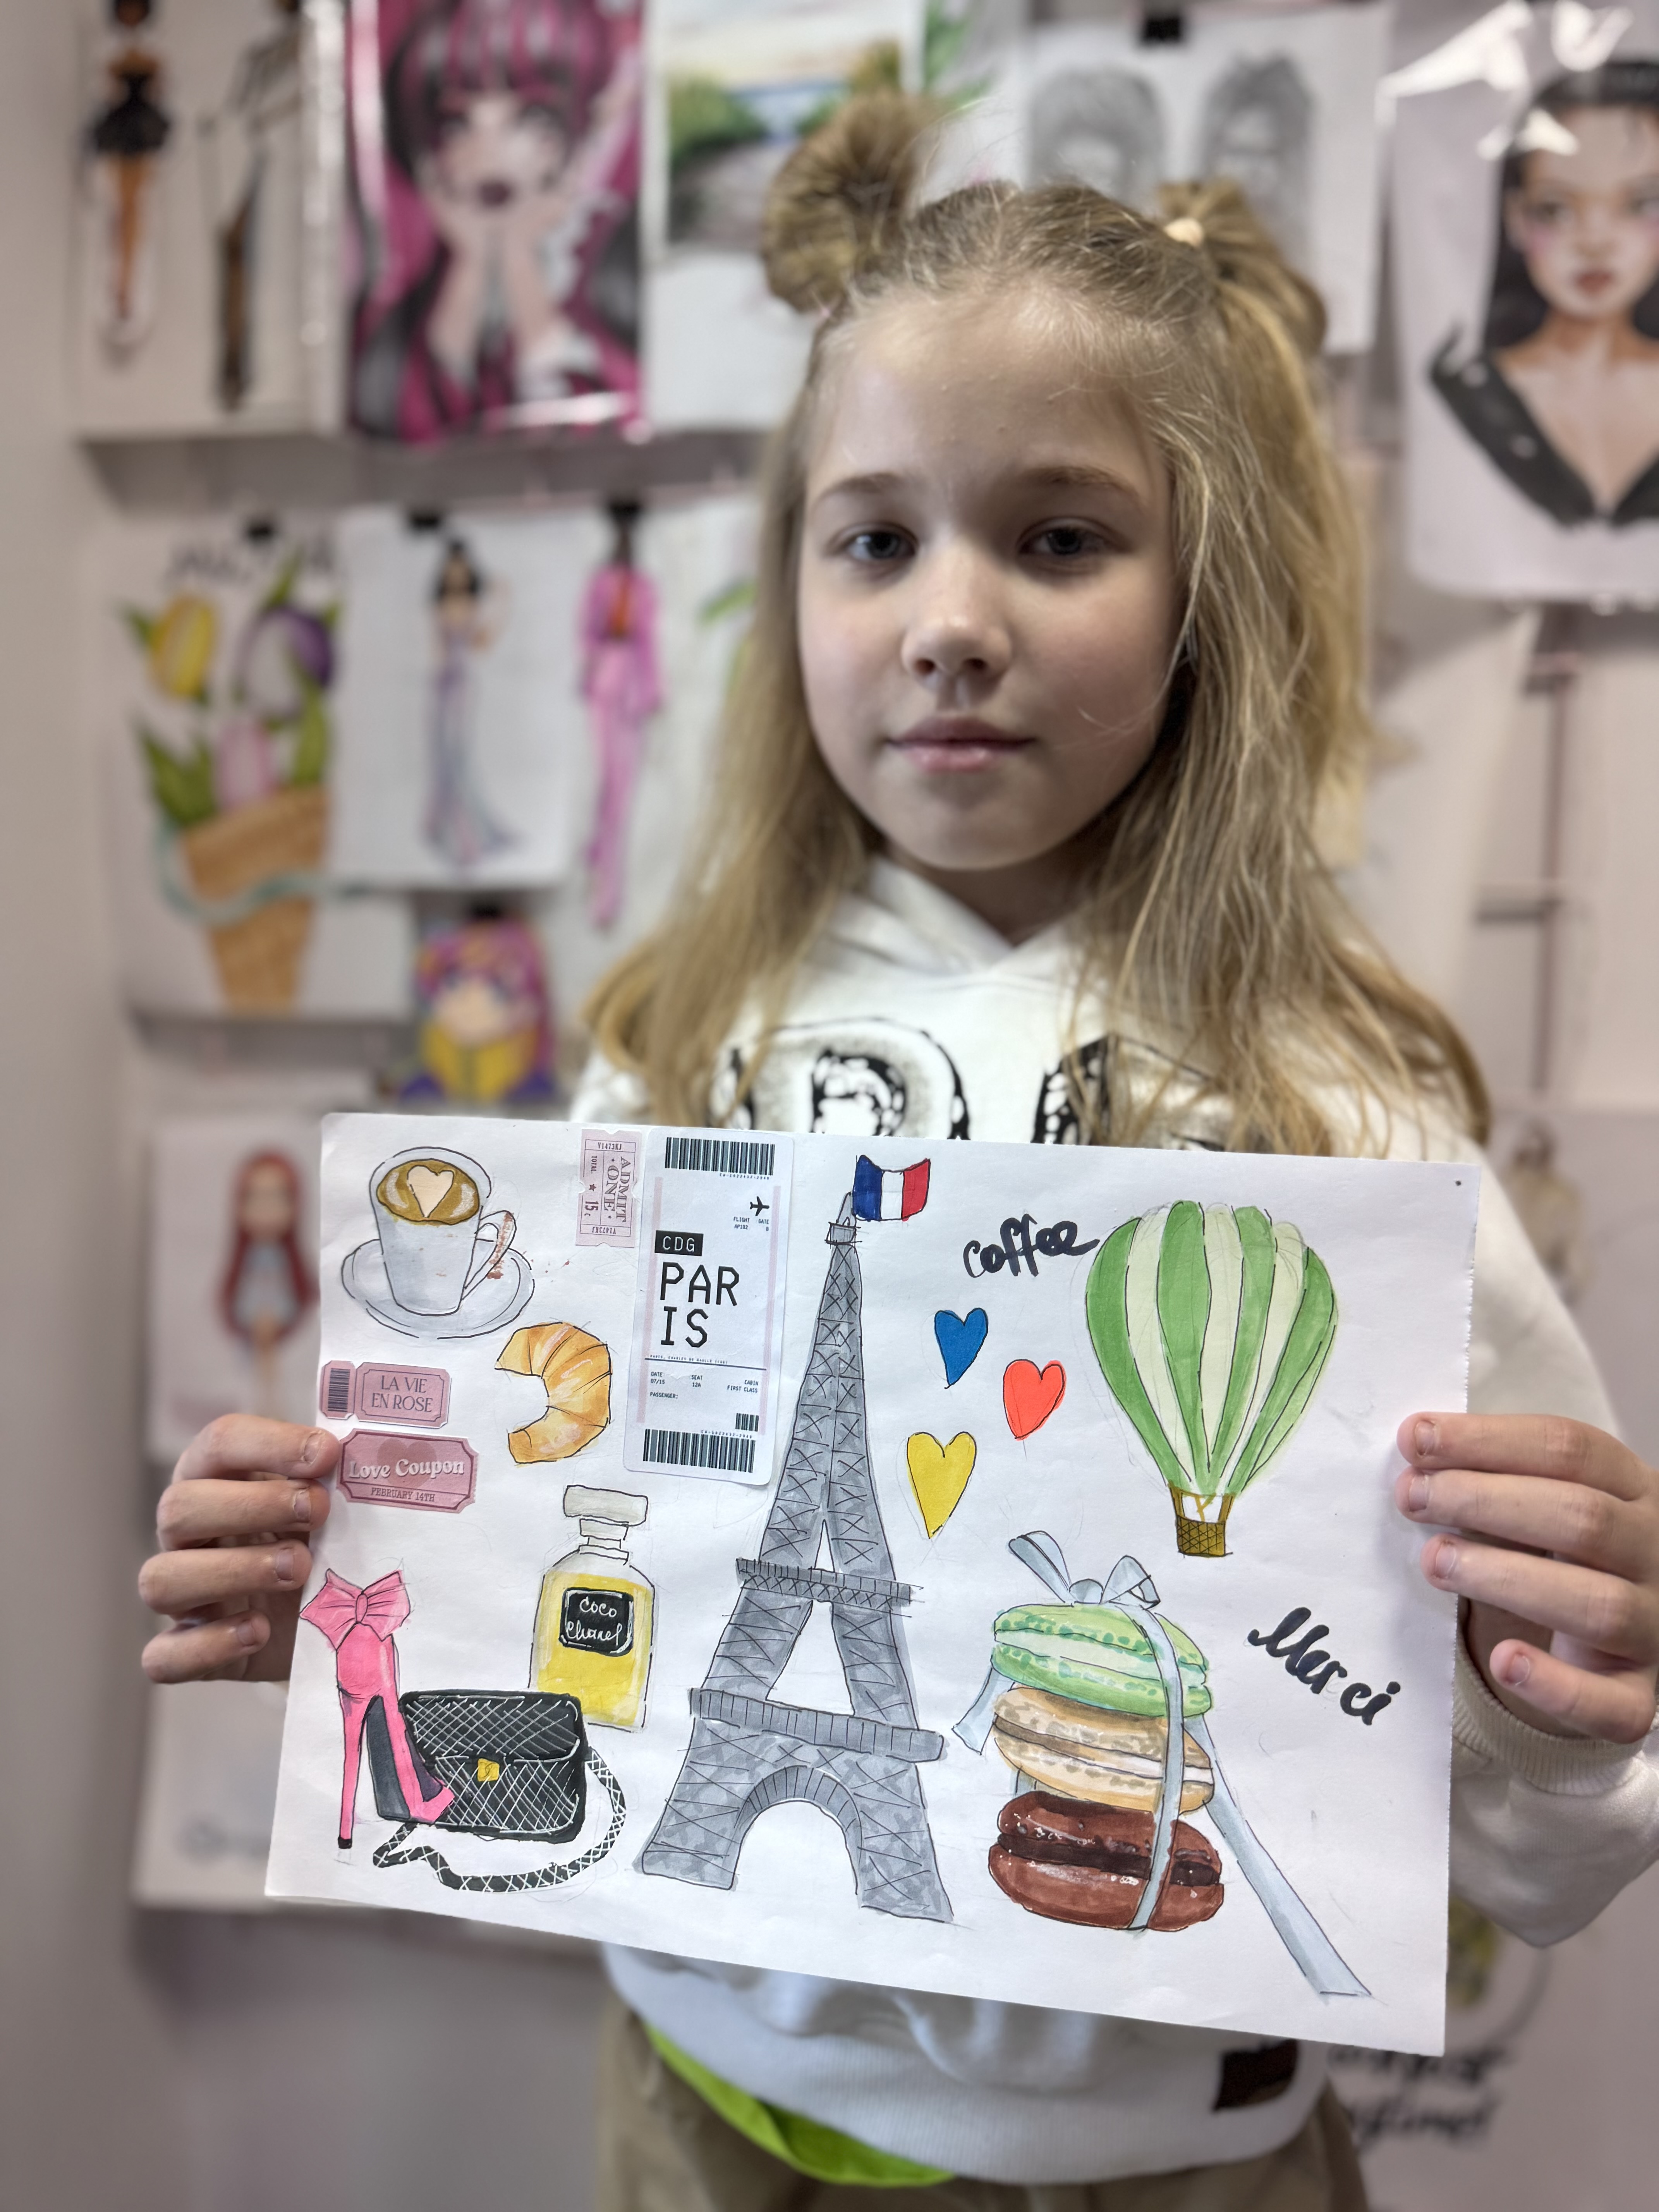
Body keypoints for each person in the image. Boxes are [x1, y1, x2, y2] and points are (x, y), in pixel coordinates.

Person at [139, 94, 1659, 2212]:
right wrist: (349, 1578)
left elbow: (1536, 1840)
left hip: (1185, 2168)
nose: (951, 617)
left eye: (1058, 538)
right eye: (874, 540)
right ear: (787, 590)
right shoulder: (673, 1065)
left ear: (1204, 598)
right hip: (696, 2130)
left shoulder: (1338, 1117)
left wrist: (1574, 1699)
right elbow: (562, 1610)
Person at [351, 0, 642, 442]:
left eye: (532, 117)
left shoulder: (615, 275)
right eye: (456, 125)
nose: (487, 155)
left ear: (586, 125)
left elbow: (603, 421)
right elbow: (411, 424)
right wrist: (472, 263)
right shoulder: (404, 300)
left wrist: (518, 259)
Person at [1432, 59, 1659, 526]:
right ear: (1517, 217)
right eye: (1557, 209)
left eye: (1640, 204)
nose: (1595, 241)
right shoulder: (1470, 390)